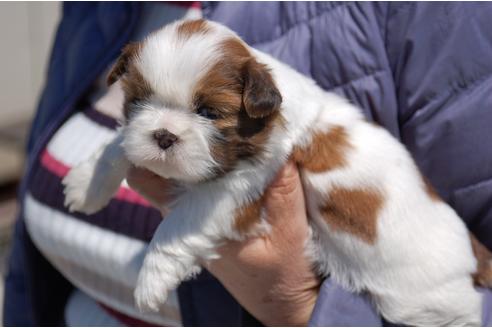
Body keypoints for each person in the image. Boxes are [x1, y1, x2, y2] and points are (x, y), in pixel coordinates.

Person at [4, 2, 492, 326]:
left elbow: (234, 196)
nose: (163, 130)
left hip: (423, 276)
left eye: (208, 113)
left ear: (258, 102)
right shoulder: (100, 10)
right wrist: (105, 166)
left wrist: (299, 305)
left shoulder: (424, 17)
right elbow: (141, 134)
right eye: (139, 102)